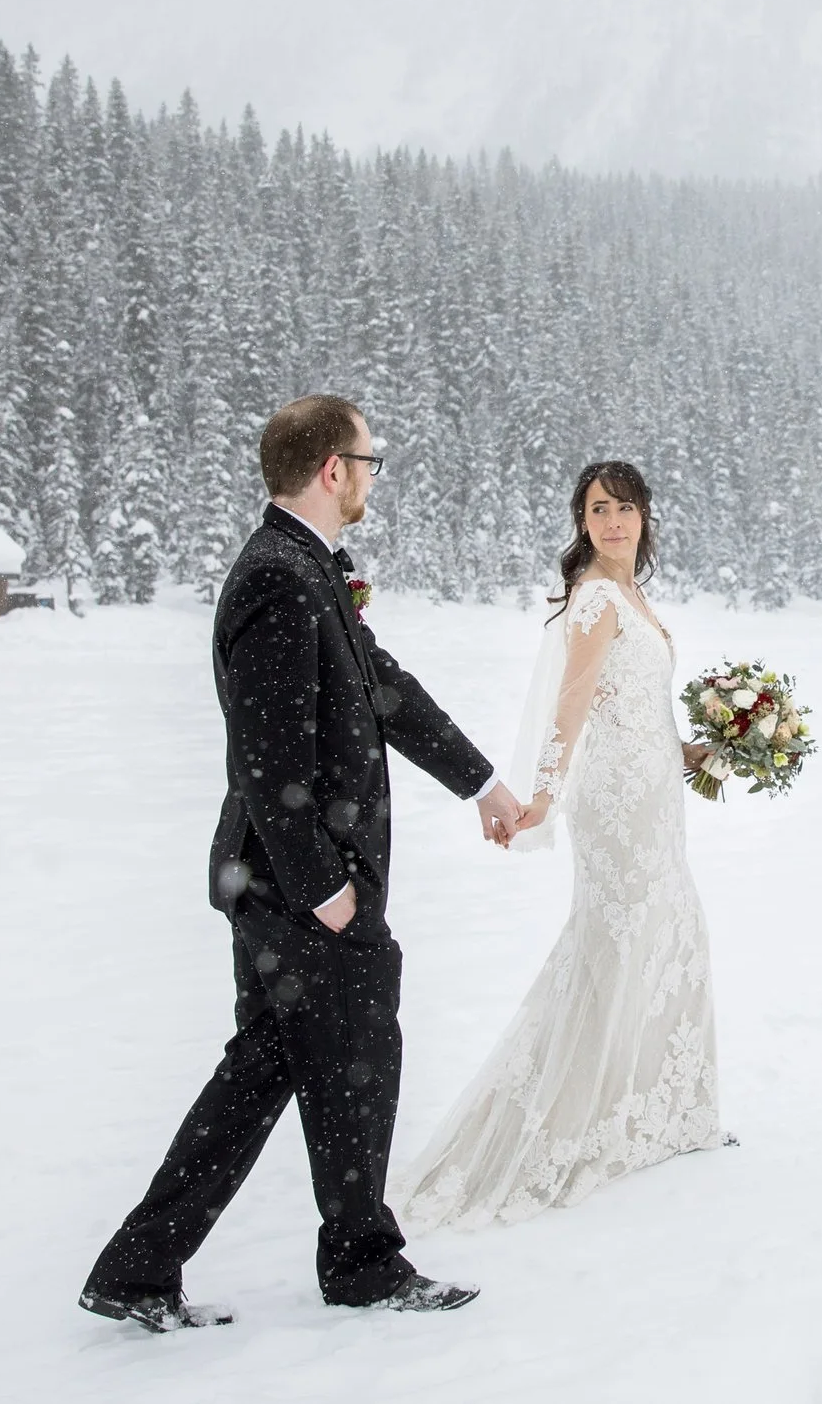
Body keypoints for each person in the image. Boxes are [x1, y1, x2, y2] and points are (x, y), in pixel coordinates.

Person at [80, 394, 525, 1331]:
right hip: (299, 886)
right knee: (360, 1054)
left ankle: (137, 1267)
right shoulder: (278, 580)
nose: (371, 478)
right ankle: (361, 1262)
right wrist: (327, 891)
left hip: (283, 882)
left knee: (266, 1069)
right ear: (333, 470)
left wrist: (480, 781)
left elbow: (386, 690)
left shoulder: (308, 570)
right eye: (367, 461)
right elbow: (267, 758)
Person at [396, 460, 728, 1229]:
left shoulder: (637, 596)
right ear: (582, 522)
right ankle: (566, 1127)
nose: (612, 521)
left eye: (624, 507)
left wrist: (707, 749)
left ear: (646, 517)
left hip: (656, 797)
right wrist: (541, 797)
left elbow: (640, 712)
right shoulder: (595, 599)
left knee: (670, 937)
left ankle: (665, 1112)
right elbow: (570, 707)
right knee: (613, 949)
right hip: (613, 806)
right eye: (597, 509)